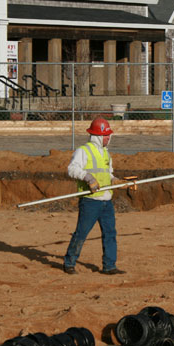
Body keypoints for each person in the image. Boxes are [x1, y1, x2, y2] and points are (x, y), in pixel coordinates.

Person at [63, 117, 132, 275]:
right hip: (90, 202)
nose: (109, 138)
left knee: (110, 233)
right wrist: (89, 178)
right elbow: (72, 169)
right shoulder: (83, 151)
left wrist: (117, 181)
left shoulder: (106, 154)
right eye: (106, 135)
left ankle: (109, 266)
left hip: (106, 201)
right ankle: (69, 262)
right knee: (82, 232)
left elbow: (108, 175)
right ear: (98, 136)